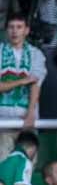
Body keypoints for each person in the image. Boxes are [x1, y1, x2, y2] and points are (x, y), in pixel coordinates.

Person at [0, 12, 44, 155]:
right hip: (2, 120)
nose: (14, 31)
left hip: (26, 120)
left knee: (26, 168)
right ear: (6, 30)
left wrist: (30, 113)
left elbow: (36, 84)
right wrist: (22, 81)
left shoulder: (36, 53)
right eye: (11, 27)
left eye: (19, 27)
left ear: (26, 30)